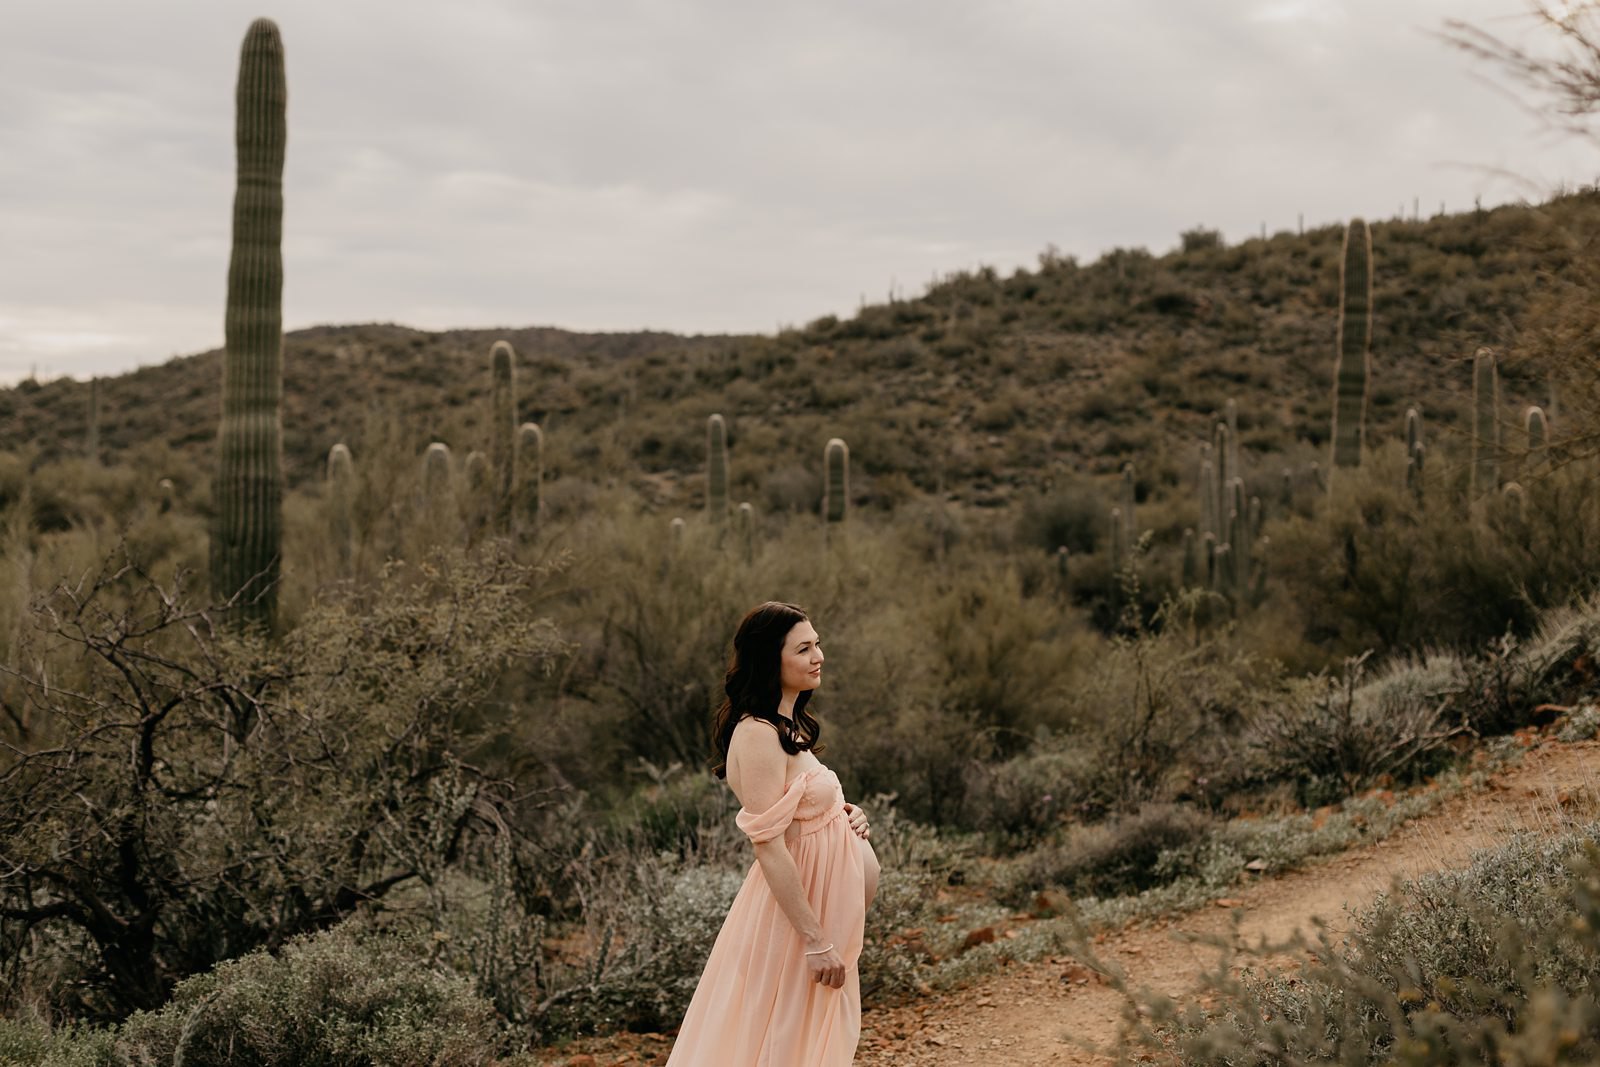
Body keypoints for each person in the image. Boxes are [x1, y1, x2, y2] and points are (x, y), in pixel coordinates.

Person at [665, 601, 880, 1066]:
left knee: (798, 1038)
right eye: (803, 648)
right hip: (793, 921)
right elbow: (768, 843)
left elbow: (804, 812)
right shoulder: (758, 732)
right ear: (770, 659)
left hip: (819, 914)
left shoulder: (788, 726)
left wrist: (848, 816)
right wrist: (815, 939)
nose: (818, 655)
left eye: (817, 644)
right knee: (775, 1040)